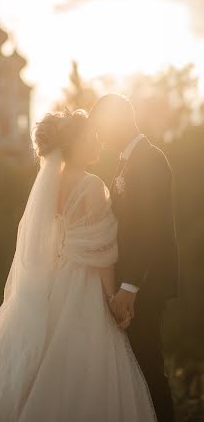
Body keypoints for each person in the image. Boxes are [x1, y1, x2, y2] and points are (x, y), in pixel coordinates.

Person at [0, 107, 157, 422]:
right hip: (84, 284)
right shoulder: (91, 185)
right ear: (74, 145)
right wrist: (112, 299)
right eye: (93, 139)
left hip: (55, 279)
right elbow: (100, 248)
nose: (99, 145)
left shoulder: (52, 185)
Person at [89, 94, 179, 422]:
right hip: (135, 282)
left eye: (101, 129)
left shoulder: (150, 160)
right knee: (136, 370)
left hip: (145, 284)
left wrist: (129, 286)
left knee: (148, 369)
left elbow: (149, 229)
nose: (99, 137)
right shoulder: (129, 161)